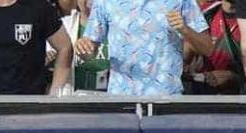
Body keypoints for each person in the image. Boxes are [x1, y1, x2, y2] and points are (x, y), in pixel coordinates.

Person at [75, 0, 212, 96]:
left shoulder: (182, 1)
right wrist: (83, 49)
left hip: (167, 99)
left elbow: (207, 48)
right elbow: (89, 51)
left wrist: (185, 30)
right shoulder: (104, 2)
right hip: (121, 100)